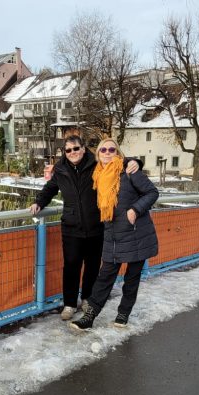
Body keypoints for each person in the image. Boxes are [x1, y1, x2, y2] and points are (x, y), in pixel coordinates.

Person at [29, 136, 140, 320]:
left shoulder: (95, 163)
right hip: (71, 227)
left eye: (76, 148)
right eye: (68, 150)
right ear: (64, 152)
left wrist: (135, 161)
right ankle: (70, 304)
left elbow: (116, 159)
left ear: (83, 148)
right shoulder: (61, 170)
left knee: (92, 266)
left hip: (96, 225)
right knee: (71, 266)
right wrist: (38, 202)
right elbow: (49, 189)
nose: (73, 152)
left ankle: (87, 298)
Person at [71, 138, 159, 330]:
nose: (107, 152)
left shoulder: (129, 171)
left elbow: (152, 192)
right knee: (105, 276)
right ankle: (89, 317)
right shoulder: (98, 175)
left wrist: (135, 209)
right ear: (98, 154)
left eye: (112, 149)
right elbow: (74, 162)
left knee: (132, 278)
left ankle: (123, 314)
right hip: (112, 234)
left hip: (136, 233)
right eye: (103, 149)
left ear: (117, 152)